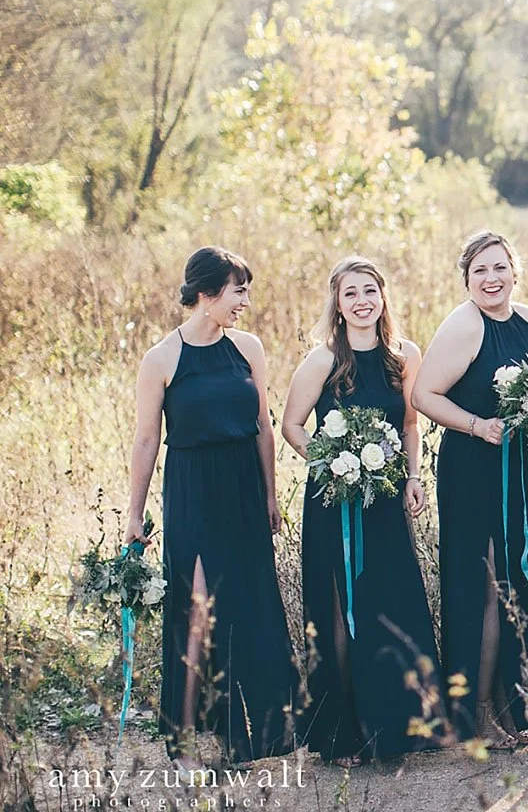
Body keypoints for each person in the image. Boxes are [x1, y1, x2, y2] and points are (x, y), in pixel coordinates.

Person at [125, 246, 297, 768]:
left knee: (247, 605)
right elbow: (146, 440)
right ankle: (181, 743)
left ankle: (249, 737)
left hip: (245, 487)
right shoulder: (161, 359)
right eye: (237, 289)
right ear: (206, 293)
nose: (245, 300)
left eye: (246, 289)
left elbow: (265, 426)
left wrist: (270, 495)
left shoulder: (249, 348)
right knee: (196, 611)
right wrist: (134, 514)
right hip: (193, 490)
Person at [282, 256, 441, 764]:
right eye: (350, 293)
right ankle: (343, 735)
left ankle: (399, 728)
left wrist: (414, 477)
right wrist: (334, 463)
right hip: (335, 504)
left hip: (387, 500)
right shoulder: (323, 359)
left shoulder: (404, 356)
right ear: (337, 302)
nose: (362, 302)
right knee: (338, 610)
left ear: (383, 296)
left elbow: (411, 424)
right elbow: (292, 425)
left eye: (369, 291)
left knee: (389, 604)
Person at [413, 231, 528, 747]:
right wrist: (477, 425)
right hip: (476, 472)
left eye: (499, 267)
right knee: (484, 588)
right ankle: (478, 711)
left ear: (515, 272)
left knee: (526, 583)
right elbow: (423, 394)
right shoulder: (462, 326)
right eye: (480, 270)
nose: (491, 278)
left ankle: (520, 703)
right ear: (467, 279)